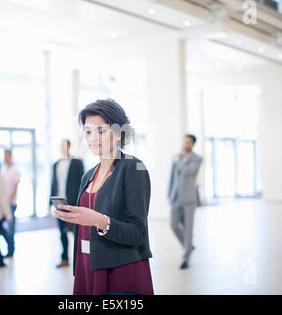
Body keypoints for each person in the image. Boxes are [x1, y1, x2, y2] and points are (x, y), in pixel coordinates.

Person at [54, 99, 154, 295]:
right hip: (87, 266)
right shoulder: (88, 174)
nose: (93, 138)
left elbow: (138, 233)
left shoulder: (133, 168)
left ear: (118, 133)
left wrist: (100, 221)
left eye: (101, 131)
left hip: (121, 270)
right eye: (88, 132)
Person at [168, 134, 203, 270]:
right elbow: (172, 177)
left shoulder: (197, 159)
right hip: (176, 197)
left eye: (188, 142)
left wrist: (180, 160)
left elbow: (188, 172)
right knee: (173, 225)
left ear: (192, 144)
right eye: (184, 142)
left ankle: (185, 258)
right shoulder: (176, 158)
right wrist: (169, 194)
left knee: (188, 229)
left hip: (189, 199)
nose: (185, 144)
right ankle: (188, 246)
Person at [50, 139, 85, 268]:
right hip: (59, 202)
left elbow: (83, 182)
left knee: (76, 232)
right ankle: (64, 258)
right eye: (61, 145)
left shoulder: (77, 163)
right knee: (62, 232)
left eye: (65, 145)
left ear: (69, 146)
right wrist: (50, 201)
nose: (63, 148)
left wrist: (81, 202)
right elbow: (53, 183)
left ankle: (80, 259)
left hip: (73, 202)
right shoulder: (56, 164)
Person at [0, 149, 20, 258]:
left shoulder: (15, 170)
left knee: (11, 227)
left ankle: (11, 250)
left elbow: (16, 186)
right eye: (4, 156)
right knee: (0, 227)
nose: (5, 158)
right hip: (3, 203)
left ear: (11, 157)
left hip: (11, 203)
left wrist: (10, 200)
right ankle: (10, 245)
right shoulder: (3, 170)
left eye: (7, 156)